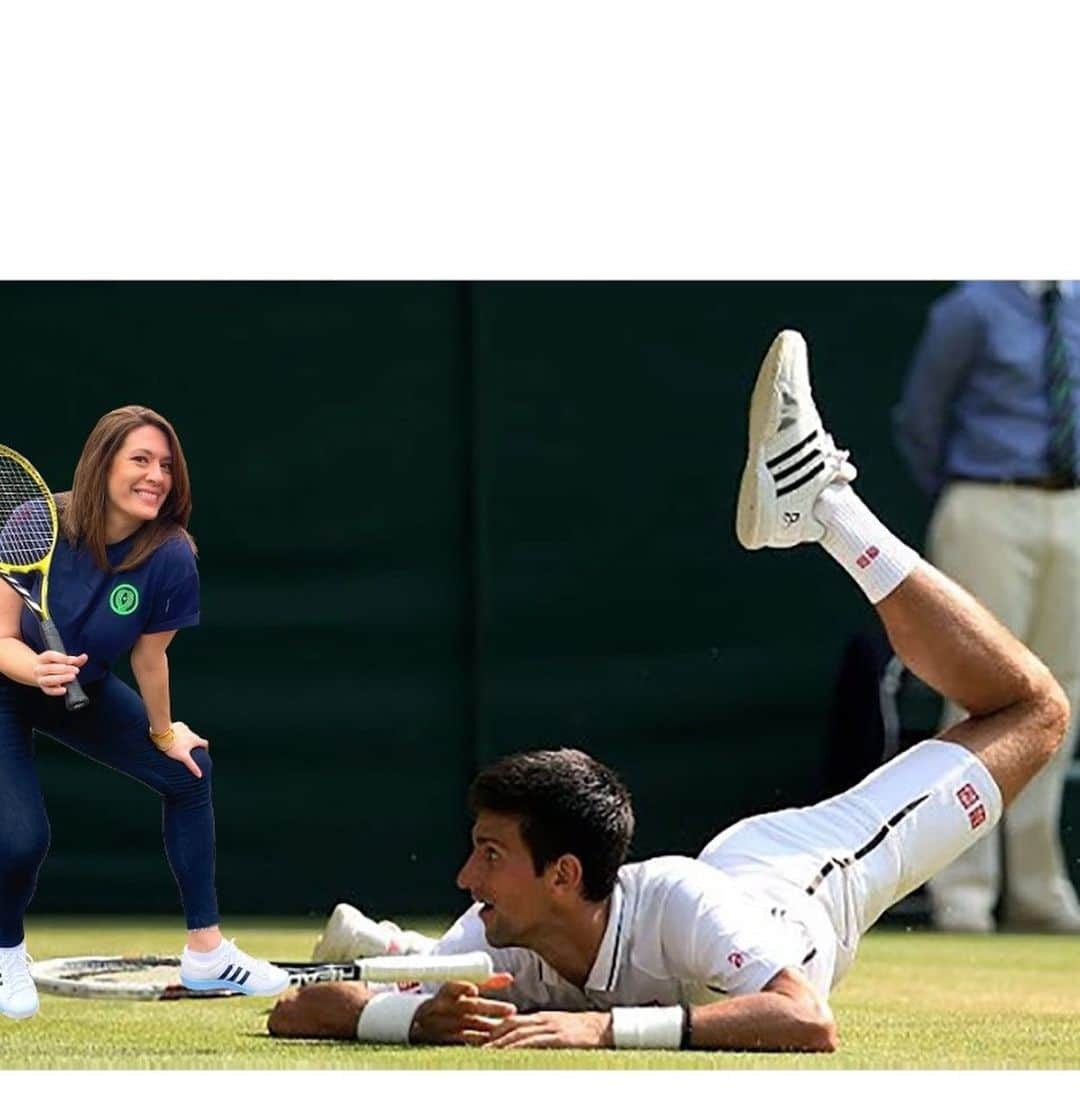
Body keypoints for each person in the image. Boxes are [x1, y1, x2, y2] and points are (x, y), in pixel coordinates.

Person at [268, 331, 1068, 1052]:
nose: (466, 880)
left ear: (565, 875)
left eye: (488, 856)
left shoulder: (673, 904)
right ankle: (401, 951)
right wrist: (410, 1014)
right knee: (1030, 708)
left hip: (812, 874)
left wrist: (603, 1028)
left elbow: (806, 1020)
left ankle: (826, 504)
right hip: (737, 882)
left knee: (1034, 712)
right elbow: (294, 1013)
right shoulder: (502, 931)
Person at [0, 405, 288, 1020]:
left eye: (165, 464)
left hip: (82, 685)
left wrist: (164, 731)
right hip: (7, 677)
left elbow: (150, 657)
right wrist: (33, 668)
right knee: (21, 840)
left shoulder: (171, 552)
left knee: (189, 773)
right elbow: (0, 636)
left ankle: (206, 953)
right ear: (103, 464)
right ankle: (5, 950)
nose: (156, 475)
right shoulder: (33, 519)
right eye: (140, 460)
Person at [894, 282, 1080, 933]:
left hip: (1074, 507)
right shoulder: (972, 306)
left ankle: (1039, 892)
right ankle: (963, 893)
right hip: (987, 501)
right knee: (976, 689)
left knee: (1061, 698)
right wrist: (967, 495)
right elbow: (921, 417)